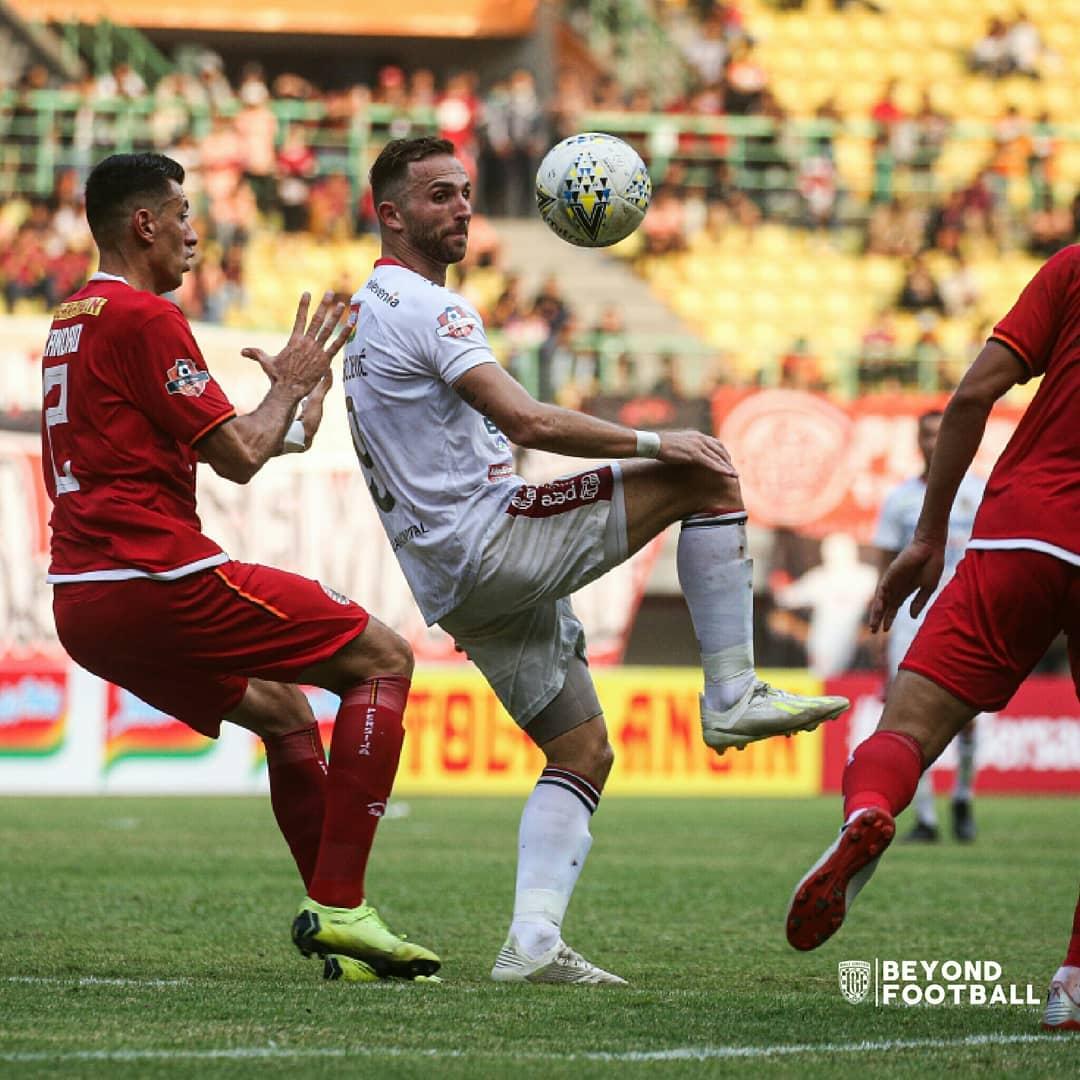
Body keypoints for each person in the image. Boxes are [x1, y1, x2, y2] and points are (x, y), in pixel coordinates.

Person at [343, 136, 849, 985]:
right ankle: (731, 692)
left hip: (453, 581)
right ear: (389, 215)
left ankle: (531, 943)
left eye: (465, 193)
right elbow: (530, 422)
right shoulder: (429, 308)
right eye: (438, 196)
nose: (461, 207)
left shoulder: (375, 309)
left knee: (581, 751)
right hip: (488, 540)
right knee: (706, 469)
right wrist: (657, 438)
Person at [40, 153, 439, 986]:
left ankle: (345, 932)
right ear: (143, 224)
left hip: (84, 601)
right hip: (154, 579)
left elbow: (233, 441)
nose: (195, 231)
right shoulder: (145, 318)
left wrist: (297, 407)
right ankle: (341, 906)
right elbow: (243, 455)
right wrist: (287, 387)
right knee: (384, 658)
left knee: (286, 713)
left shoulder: (73, 317)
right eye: (182, 213)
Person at [784, 244, 1080, 1032]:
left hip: (1024, 530)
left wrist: (927, 535)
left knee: (906, 729)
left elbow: (973, 394)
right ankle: (1073, 984)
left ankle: (868, 811)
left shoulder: (1072, 269)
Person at [873, 411, 985, 843]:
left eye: (942, 434)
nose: (933, 442)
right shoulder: (899, 499)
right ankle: (925, 817)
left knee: (967, 717)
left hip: (963, 615)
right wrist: (878, 627)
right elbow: (884, 567)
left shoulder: (979, 493)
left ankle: (962, 796)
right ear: (917, 442)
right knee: (908, 716)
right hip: (908, 621)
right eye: (926, 435)